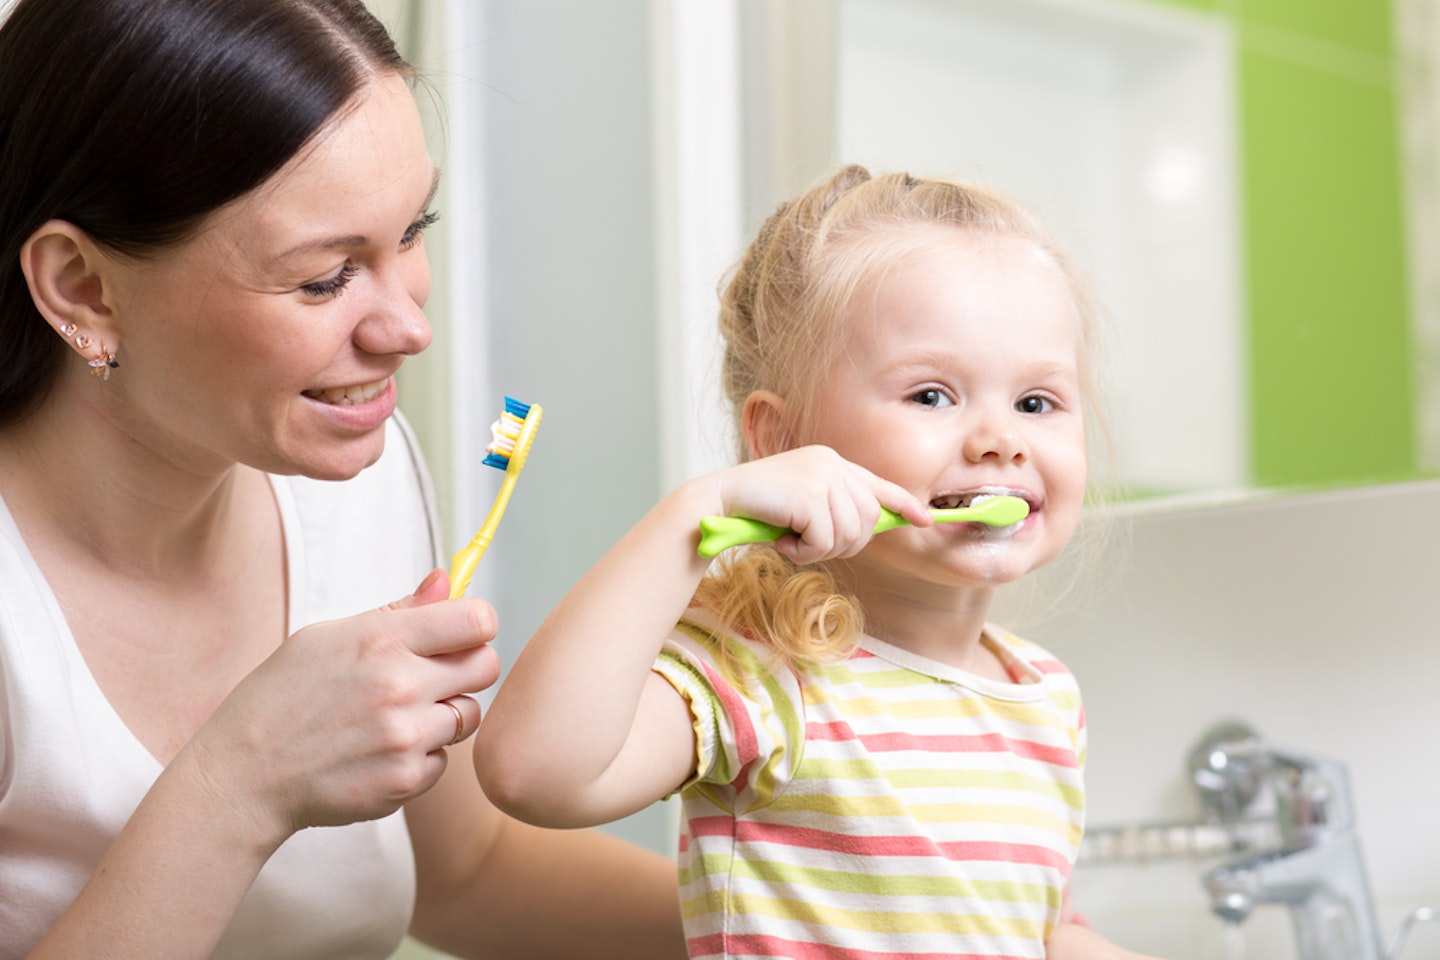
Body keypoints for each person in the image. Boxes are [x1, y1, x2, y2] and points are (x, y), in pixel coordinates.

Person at [0, 1, 684, 957]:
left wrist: (833, 917)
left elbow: (465, 875)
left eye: (412, 232)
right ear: (83, 288)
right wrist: (238, 783)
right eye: (326, 277)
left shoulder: (356, 485)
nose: (408, 328)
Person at [474, 165, 1162, 959]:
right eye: (933, 395)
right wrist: (693, 517)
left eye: (1036, 403)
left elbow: (1037, 930)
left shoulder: (1045, 701)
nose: (1000, 439)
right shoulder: (767, 675)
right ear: (783, 443)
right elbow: (531, 772)